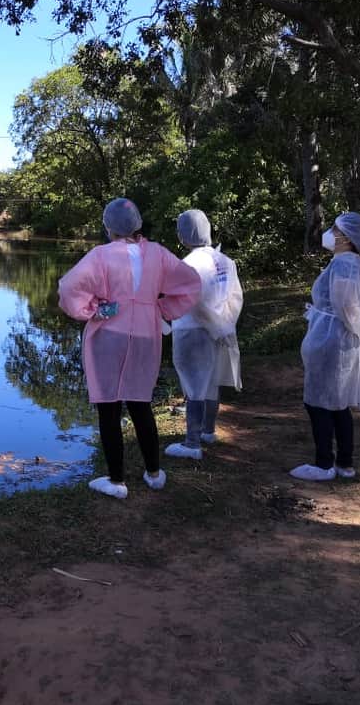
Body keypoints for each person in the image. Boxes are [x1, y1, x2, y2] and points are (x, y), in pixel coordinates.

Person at [58, 198, 201, 498]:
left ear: (108, 227)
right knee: (140, 401)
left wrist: (91, 310)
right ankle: (154, 472)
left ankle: (116, 480)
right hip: (146, 334)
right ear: (136, 225)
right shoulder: (158, 255)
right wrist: (161, 307)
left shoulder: (101, 256)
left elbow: (69, 287)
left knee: (109, 406)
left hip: (110, 334)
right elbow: (190, 283)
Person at [290, 212, 360, 482]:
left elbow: (345, 304)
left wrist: (353, 327)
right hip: (340, 337)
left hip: (331, 339)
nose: (330, 233)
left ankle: (324, 463)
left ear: (344, 237)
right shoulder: (354, 263)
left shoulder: (344, 265)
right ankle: (344, 463)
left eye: (334, 229)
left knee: (318, 403)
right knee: (339, 403)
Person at [164, 210, 243, 461]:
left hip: (192, 330)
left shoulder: (188, 264)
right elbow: (235, 297)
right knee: (211, 380)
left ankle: (192, 443)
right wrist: (224, 324)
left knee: (194, 384)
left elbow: (191, 302)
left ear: (185, 234)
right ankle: (208, 431)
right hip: (219, 331)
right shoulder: (224, 261)